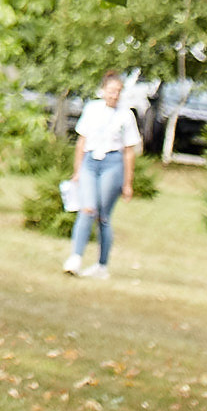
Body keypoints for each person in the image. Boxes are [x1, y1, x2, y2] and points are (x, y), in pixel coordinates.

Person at [65, 70, 142, 276]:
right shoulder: (92, 109)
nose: (114, 95)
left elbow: (129, 151)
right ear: (103, 91)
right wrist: (77, 170)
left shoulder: (126, 115)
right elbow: (81, 141)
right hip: (91, 161)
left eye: (117, 91)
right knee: (87, 209)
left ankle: (102, 265)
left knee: (103, 216)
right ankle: (75, 257)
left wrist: (127, 183)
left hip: (112, 163)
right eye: (110, 91)